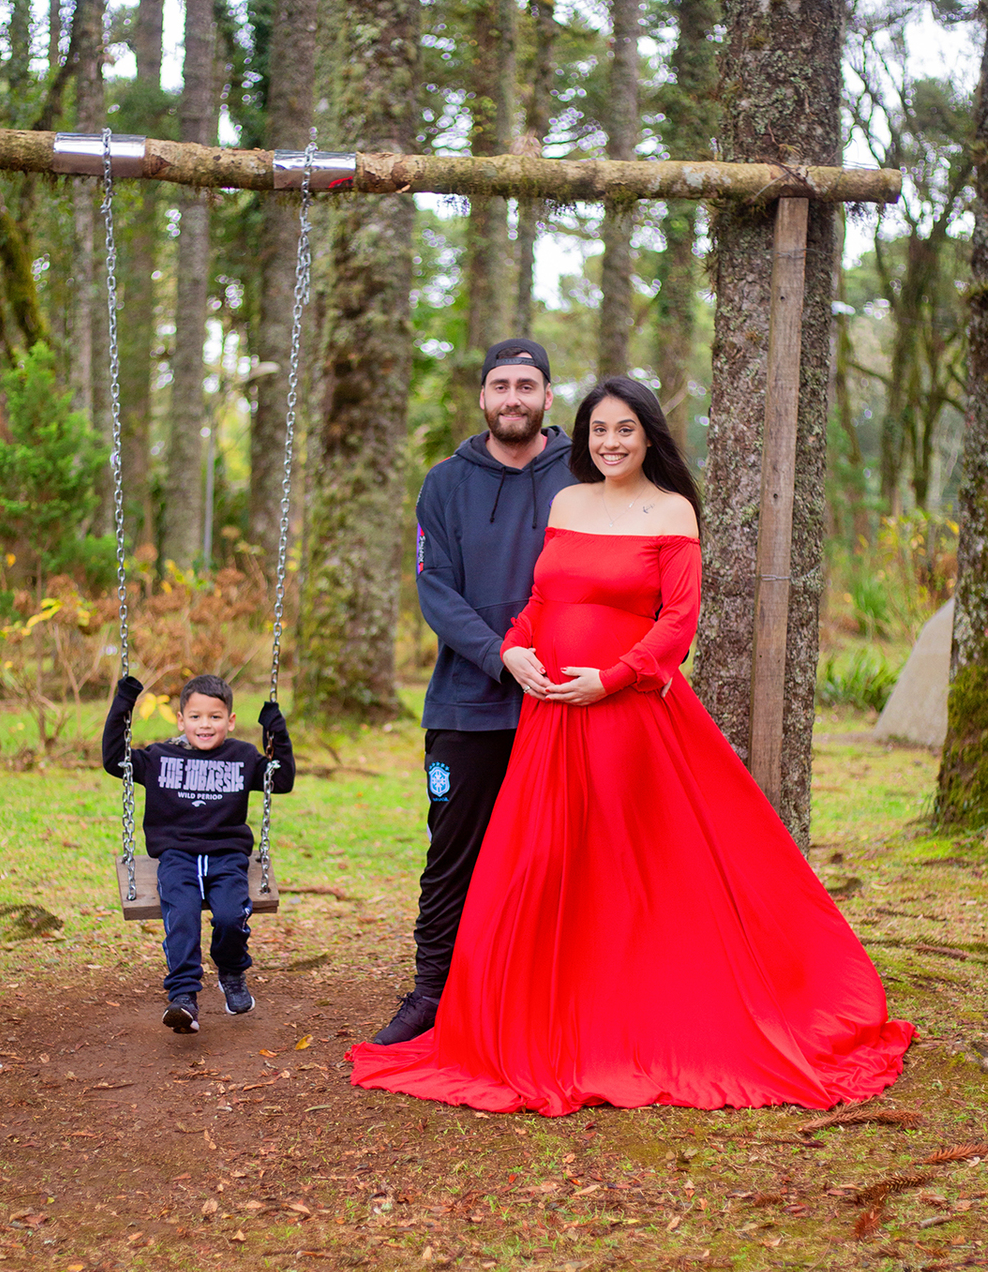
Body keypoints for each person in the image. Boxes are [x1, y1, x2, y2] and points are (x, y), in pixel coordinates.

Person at [351, 378, 914, 1113]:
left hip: (624, 714)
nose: (610, 443)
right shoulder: (567, 502)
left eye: (624, 430)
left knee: (624, 863)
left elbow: (678, 622)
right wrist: (516, 649)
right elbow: (544, 600)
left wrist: (611, 679)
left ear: (648, 436)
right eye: (598, 431)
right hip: (552, 714)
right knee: (547, 859)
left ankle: (635, 1017)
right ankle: (544, 1014)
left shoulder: (672, 511)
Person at [371, 337, 576, 1045]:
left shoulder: (582, 475)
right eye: (500, 386)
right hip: (469, 702)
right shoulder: (443, 484)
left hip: (565, 700)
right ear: (483, 398)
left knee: (561, 852)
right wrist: (501, 656)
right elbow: (437, 590)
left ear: (548, 396)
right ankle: (433, 990)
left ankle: (548, 994)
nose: (512, 398)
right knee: (452, 849)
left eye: (526, 385)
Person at [103, 674, 294, 1034]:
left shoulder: (242, 757)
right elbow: (115, 761)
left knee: (230, 916)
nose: (205, 725)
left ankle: (231, 971)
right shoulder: (159, 757)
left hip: (227, 857)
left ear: (230, 721)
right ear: (181, 720)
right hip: (177, 857)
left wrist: (276, 731)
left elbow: (281, 780)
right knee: (183, 916)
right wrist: (123, 704)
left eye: (215, 717)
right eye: (195, 716)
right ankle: (183, 997)